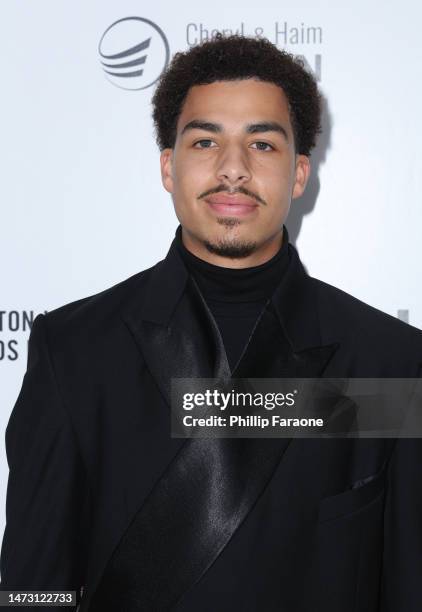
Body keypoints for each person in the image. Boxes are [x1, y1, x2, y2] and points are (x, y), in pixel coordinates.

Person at [1, 34, 421, 612]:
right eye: (206, 141)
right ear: (169, 168)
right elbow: (32, 592)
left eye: (263, 146)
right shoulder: (73, 353)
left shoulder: (391, 362)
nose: (233, 170)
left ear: (300, 175)